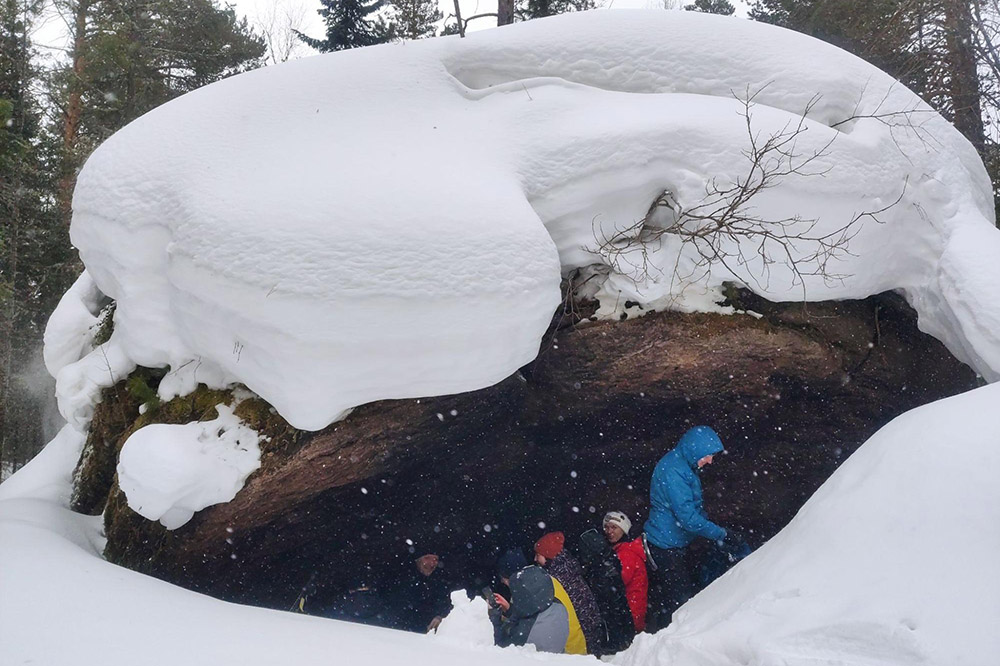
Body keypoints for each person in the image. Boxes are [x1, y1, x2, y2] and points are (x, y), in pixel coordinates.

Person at [643, 426, 742, 632]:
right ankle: (667, 645)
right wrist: (721, 534)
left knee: (679, 598)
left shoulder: (684, 466)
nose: (710, 461)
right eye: (708, 456)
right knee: (681, 604)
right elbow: (688, 518)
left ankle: (665, 634)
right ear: (695, 450)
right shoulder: (674, 472)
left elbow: (693, 509)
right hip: (664, 546)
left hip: (675, 543)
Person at [497, 549, 586, 655]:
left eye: (503, 578)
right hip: (575, 648)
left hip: (566, 652)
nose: (502, 582)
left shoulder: (530, 591)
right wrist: (510, 609)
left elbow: (517, 638)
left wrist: (495, 619)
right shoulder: (543, 581)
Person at [534, 531, 603, 651]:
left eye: (538, 554)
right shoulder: (567, 568)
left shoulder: (558, 578)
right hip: (593, 633)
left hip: (583, 639)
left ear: (547, 554)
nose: (535, 558)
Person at [576, 528, 635, 654]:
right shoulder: (610, 559)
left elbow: (606, 609)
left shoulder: (601, 573)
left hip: (613, 635)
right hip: (623, 624)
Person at [490, 565, 569, 653]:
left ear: (523, 596)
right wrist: (510, 609)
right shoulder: (558, 605)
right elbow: (532, 614)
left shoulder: (525, 633)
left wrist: (494, 618)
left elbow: (500, 647)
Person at [383, 553, 452, 633]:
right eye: (427, 558)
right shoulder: (400, 579)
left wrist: (440, 617)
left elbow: (446, 603)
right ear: (417, 560)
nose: (432, 563)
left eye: (435, 559)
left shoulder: (440, 582)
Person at [602, 511, 648, 633]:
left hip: (629, 615)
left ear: (624, 529)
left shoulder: (626, 553)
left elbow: (617, 581)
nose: (609, 531)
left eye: (614, 527)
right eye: (606, 527)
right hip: (629, 612)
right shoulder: (621, 549)